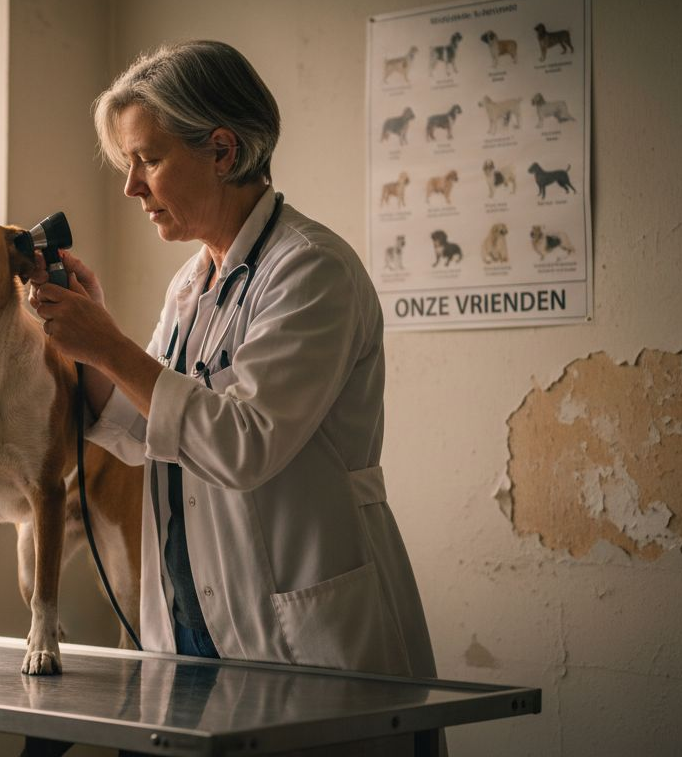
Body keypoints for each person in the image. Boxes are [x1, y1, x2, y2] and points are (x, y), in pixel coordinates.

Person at [29, 40, 436, 678]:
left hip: (300, 627)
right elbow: (149, 431)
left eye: (148, 160)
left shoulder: (311, 269)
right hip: (193, 617)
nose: (132, 186)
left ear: (222, 151)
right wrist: (94, 347)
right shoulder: (192, 286)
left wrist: (109, 344)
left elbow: (243, 444)